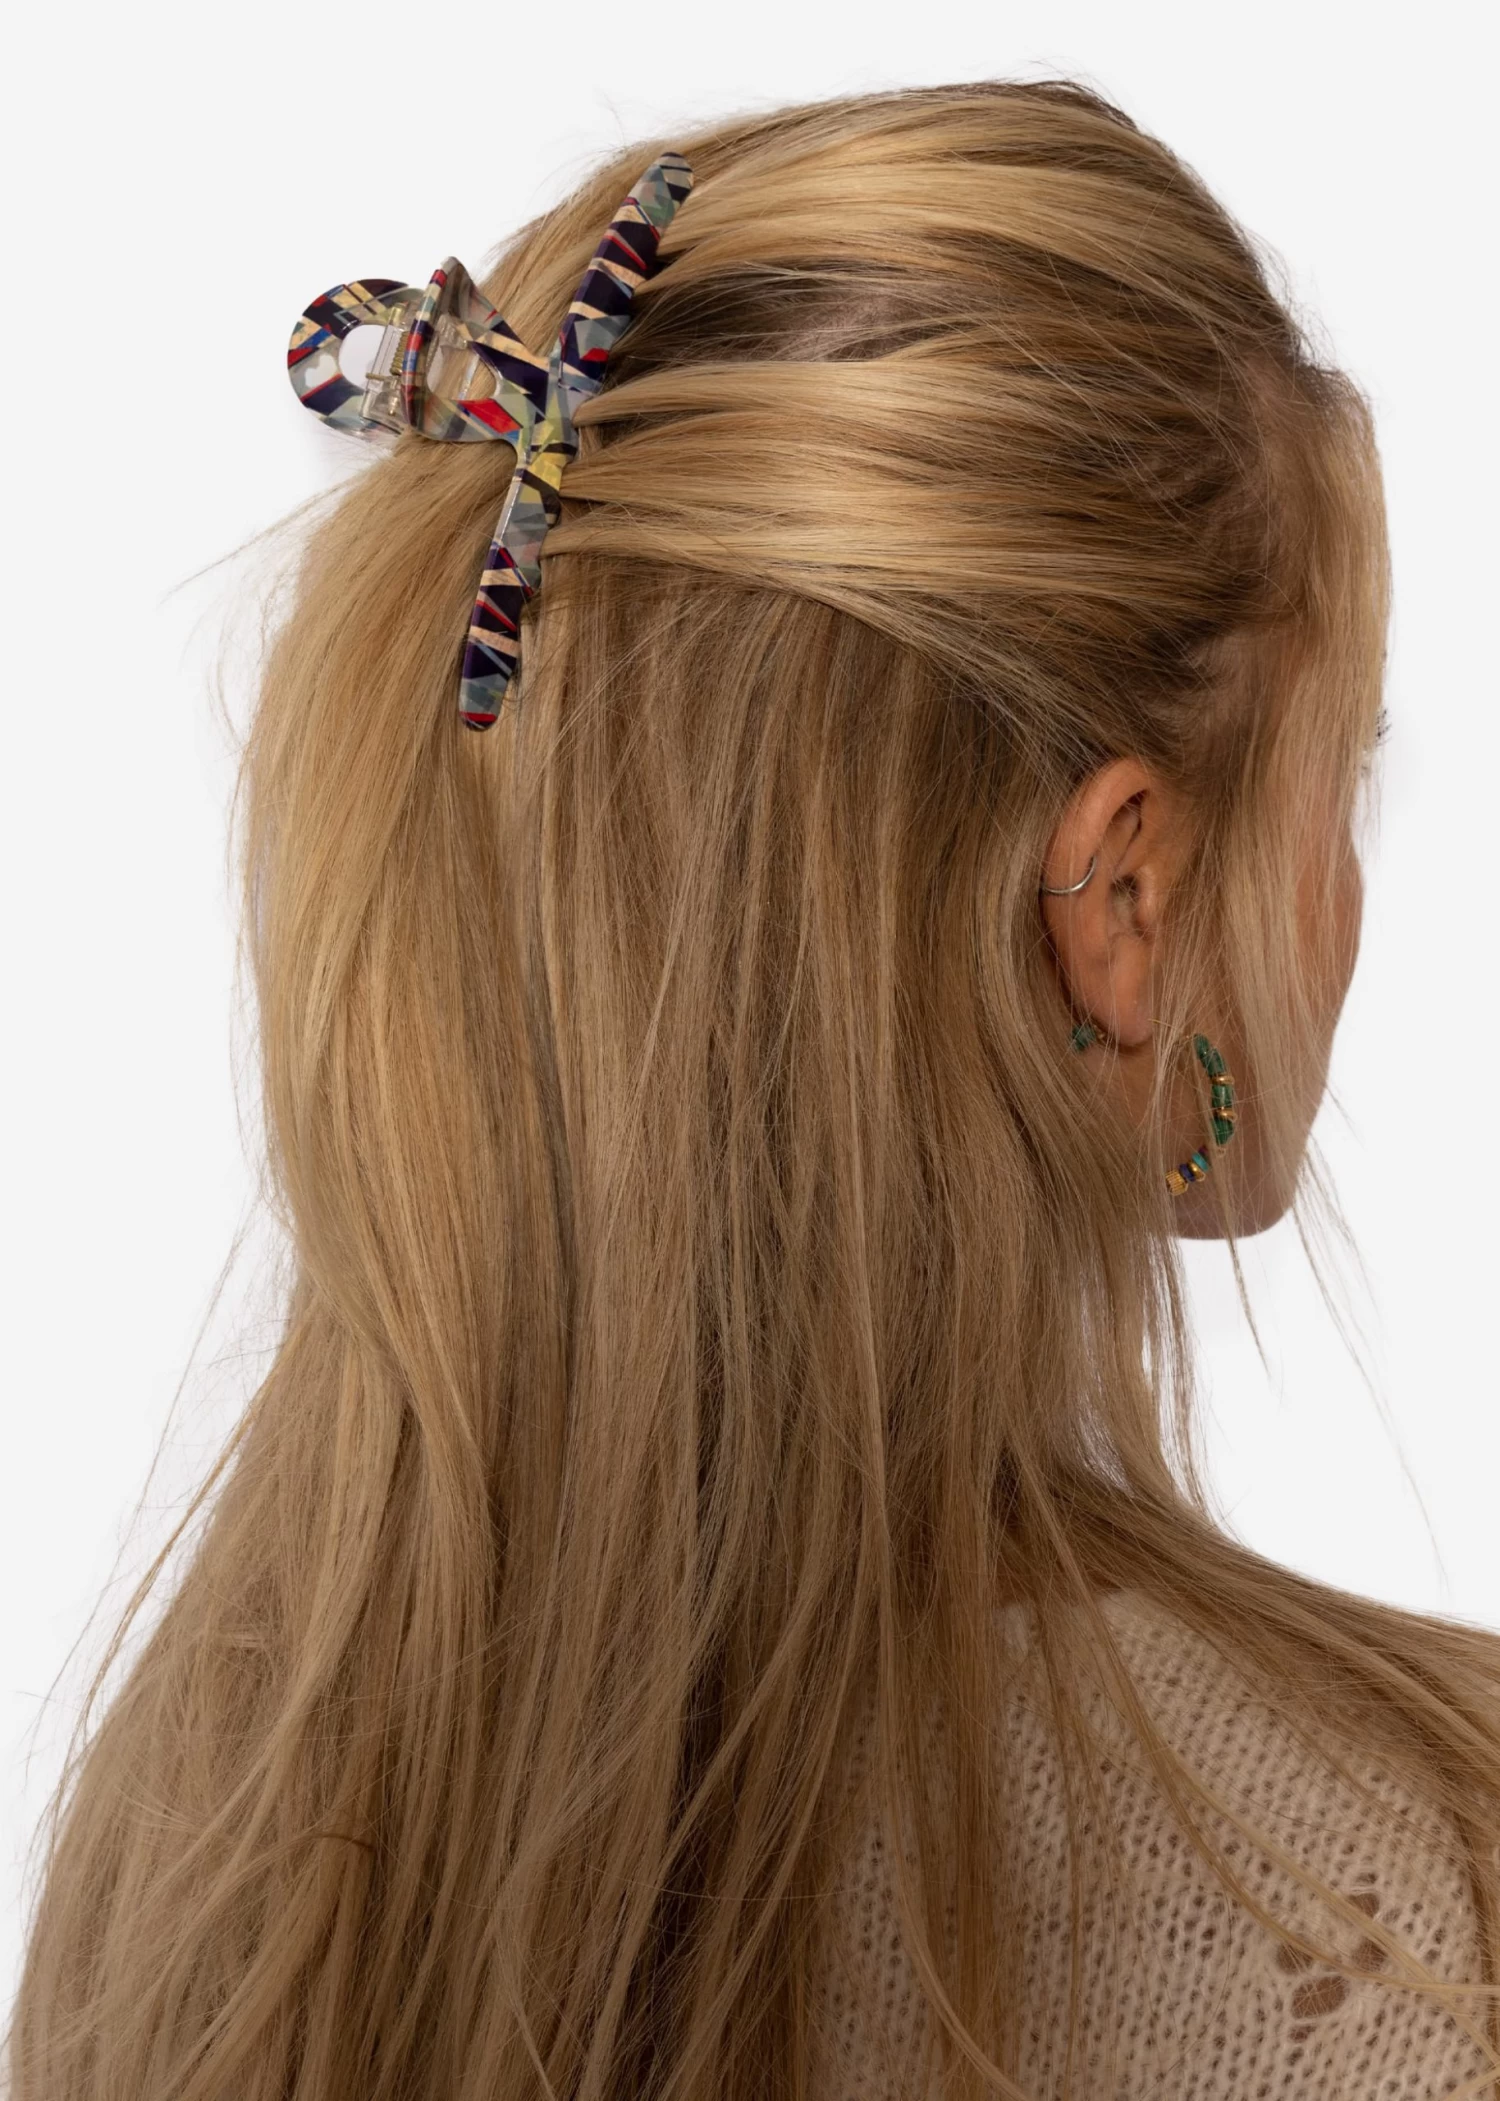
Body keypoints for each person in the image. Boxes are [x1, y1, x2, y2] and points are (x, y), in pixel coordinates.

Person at [8, 76, 1500, 2101]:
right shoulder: (1426, 1893)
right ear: (1124, 900)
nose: (1352, 883)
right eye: (1351, 769)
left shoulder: (196, 1858)